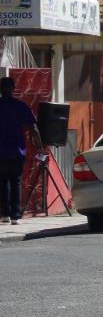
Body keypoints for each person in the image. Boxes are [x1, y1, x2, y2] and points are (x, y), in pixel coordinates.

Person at [0, 77, 42, 225]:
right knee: (16, 181)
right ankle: (15, 216)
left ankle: (4, 215)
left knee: (3, 182)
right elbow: (33, 128)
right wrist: (40, 146)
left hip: (1, 152)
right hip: (17, 150)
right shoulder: (20, 106)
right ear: (13, 88)